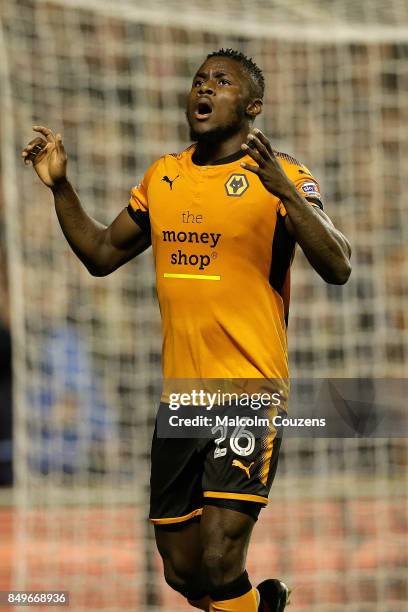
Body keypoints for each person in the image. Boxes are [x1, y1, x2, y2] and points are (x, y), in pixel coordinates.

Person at [22, 48, 351, 612]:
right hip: (182, 396)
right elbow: (102, 253)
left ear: (253, 105)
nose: (204, 87)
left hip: (249, 392)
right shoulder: (164, 176)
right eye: (199, 79)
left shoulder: (283, 176)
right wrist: (60, 187)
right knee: (184, 570)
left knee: (223, 558)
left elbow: (339, 264)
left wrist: (288, 195)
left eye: (221, 81)